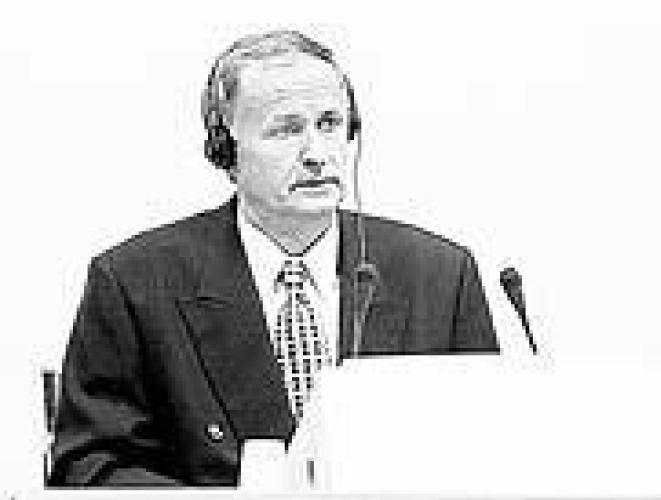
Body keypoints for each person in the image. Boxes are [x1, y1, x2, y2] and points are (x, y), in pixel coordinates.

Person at [49, 30, 499, 487]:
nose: (317, 155)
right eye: (286, 130)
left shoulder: (441, 276)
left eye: (329, 124)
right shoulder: (135, 283)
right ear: (226, 151)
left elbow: (491, 450)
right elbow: (89, 467)